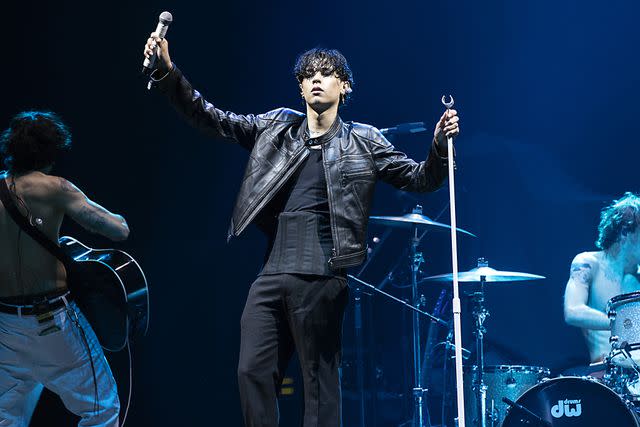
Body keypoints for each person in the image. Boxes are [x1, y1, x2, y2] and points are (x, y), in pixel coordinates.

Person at [143, 34, 459, 426]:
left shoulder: (364, 140)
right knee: (251, 371)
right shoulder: (275, 127)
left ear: (344, 87)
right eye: (308, 74)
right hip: (272, 273)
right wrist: (166, 71)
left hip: (323, 274)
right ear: (299, 87)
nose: (315, 79)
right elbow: (212, 117)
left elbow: (421, 179)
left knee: (319, 384)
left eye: (326, 73)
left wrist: (438, 148)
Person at [0, 111, 129, 426]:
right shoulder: (55, 188)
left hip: (5, 324)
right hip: (53, 321)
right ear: (51, 152)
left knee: (6, 418)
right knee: (102, 409)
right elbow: (119, 230)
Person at [564, 192, 640, 364]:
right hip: (605, 374)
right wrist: (624, 324)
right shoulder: (589, 263)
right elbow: (573, 311)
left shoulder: (637, 276)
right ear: (625, 232)